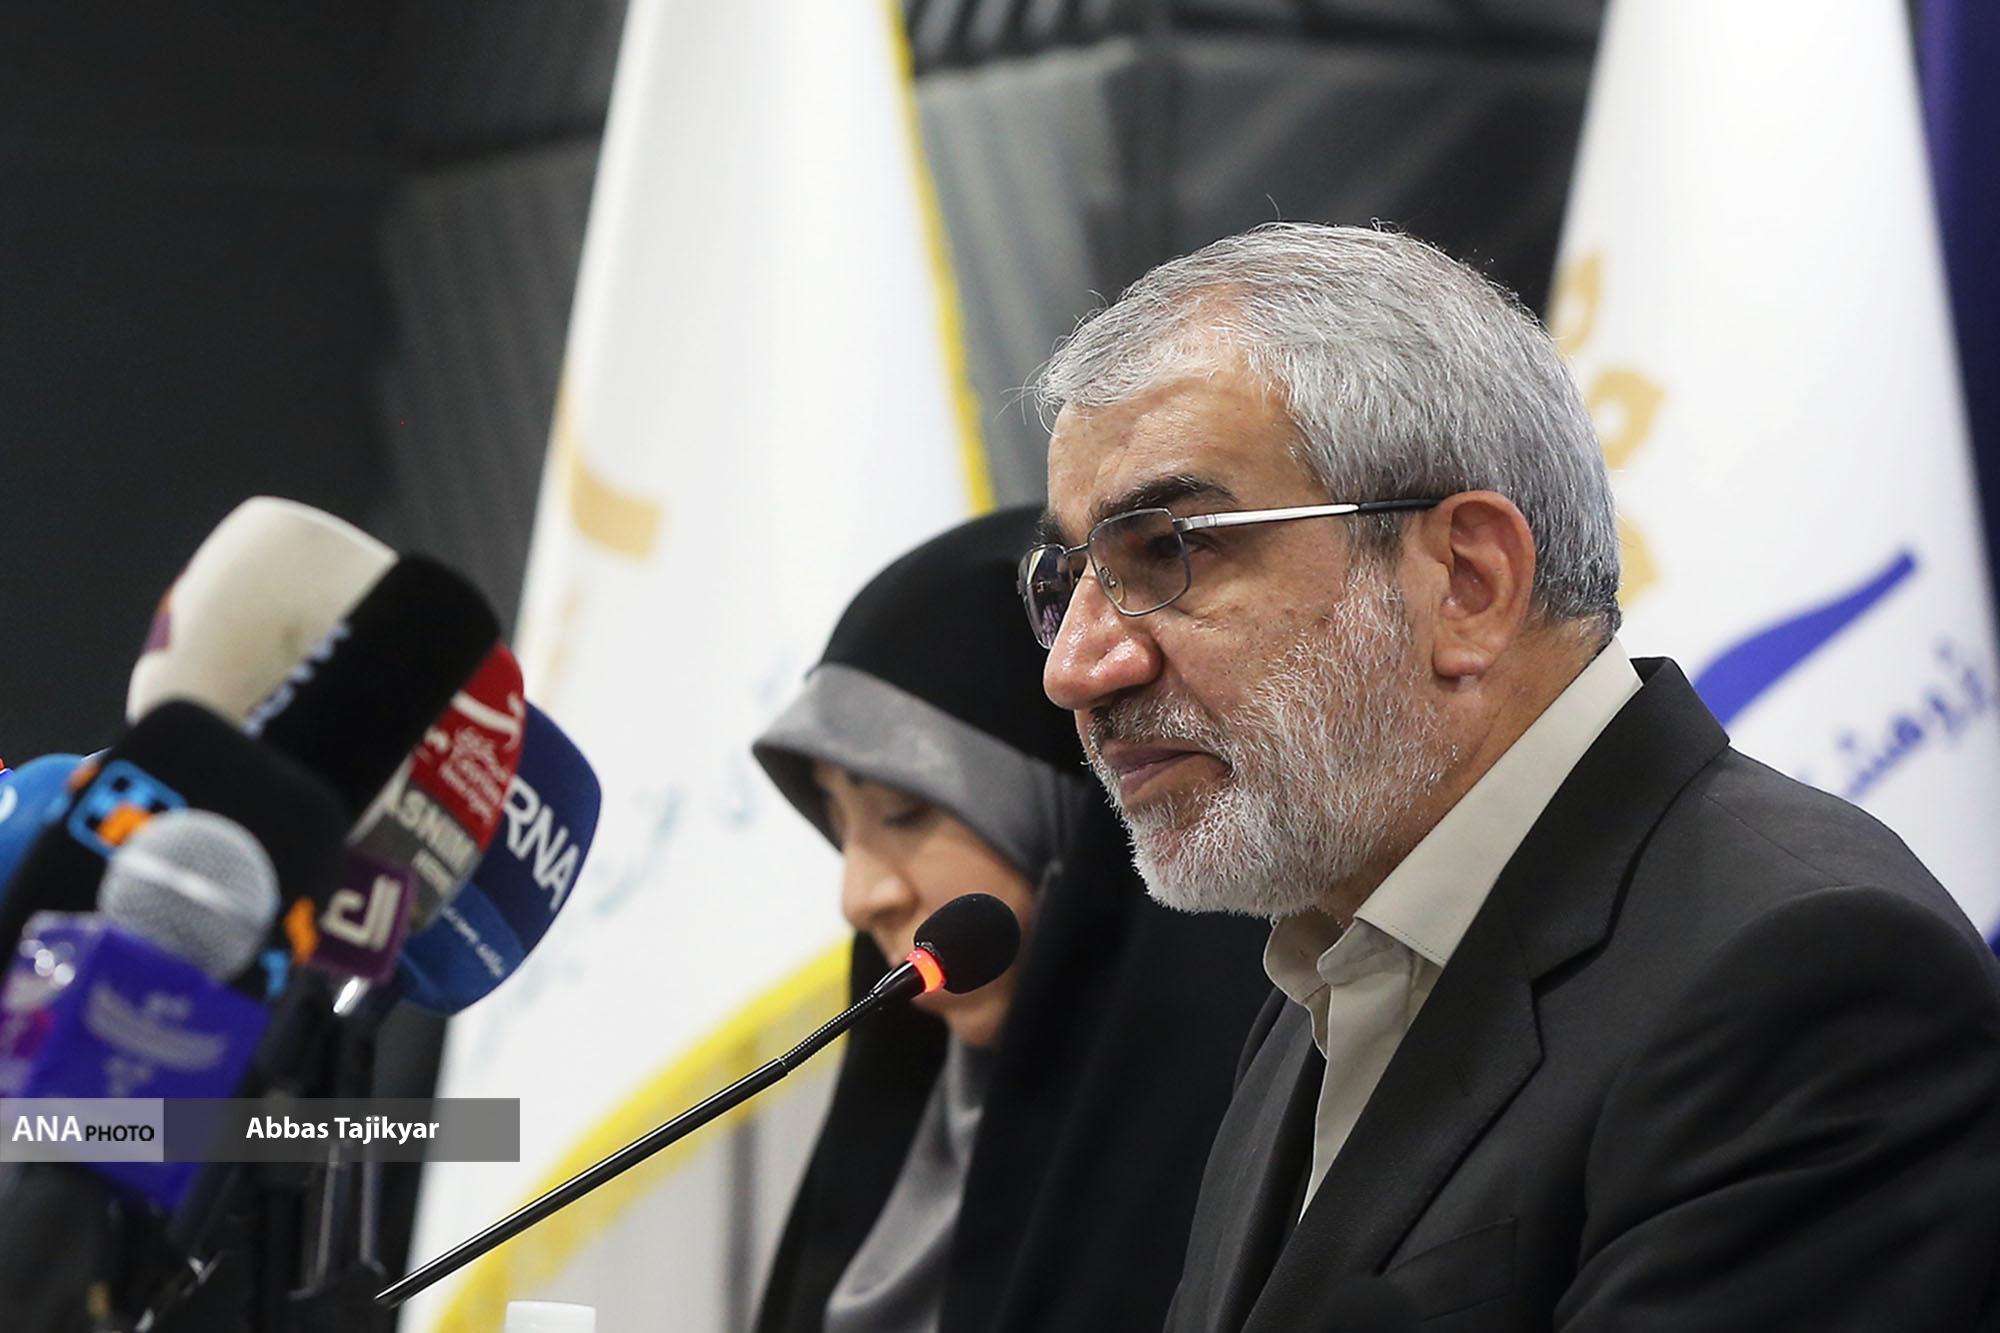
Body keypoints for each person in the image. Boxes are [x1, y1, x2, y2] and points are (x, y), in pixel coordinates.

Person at [1019, 222, 2000, 1330]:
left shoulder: (1802, 975)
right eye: (1065, 580)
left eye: (1169, 551)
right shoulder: (1329, 977)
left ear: (1469, 582)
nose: (1075, 667)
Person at [751, 506, 1270, 1333]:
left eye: (906, 811)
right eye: (839, 824)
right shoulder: (910, 1124)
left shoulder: (1247, 1131)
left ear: (1071, 813)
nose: (860, 896)